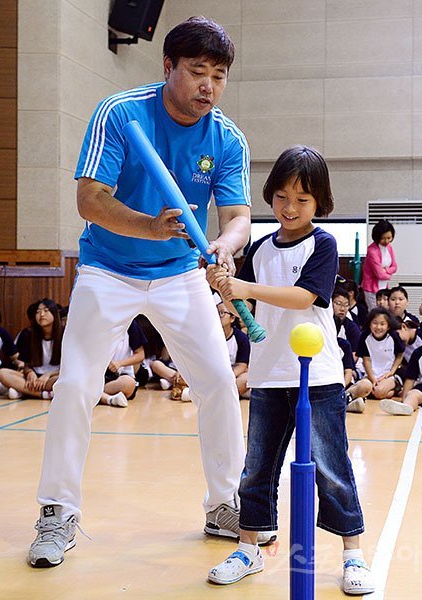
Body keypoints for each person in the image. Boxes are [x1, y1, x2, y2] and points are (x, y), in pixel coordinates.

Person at [27, 16, 262, 569]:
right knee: (77, 385)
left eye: (219, 75)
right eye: (197, 71)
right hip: (108, 270)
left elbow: (238, 216)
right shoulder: (121, 113)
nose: (209, 85)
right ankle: (57, 512)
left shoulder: (226, 137)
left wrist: (226, 247)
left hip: (181, 273)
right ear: (168, 68)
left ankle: (225, 503)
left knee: (218, 384)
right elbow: (90, 199)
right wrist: (148, 226)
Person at [206, 146, 374, 594]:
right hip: (267, 375)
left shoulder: (323, 244)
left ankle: (353, 555)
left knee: (331, 467)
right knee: (257, 467)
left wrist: (243, 286)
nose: (290, 207)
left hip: (316, 377)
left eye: (302, 199)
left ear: (320, 202)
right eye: (281, 196)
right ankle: (248, 547)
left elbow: (304, 297)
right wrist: (226, 290)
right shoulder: (259, 248)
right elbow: (249, 312)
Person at [0, 299, 62, 400]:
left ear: (54, 313)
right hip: (34, 377)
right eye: (38, 311)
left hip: (53, 377)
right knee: (2, 373)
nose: (41, 314)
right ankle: (44, 394)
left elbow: (69, 367)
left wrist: (47, 375)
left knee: (67, 380)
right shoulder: (29, 335)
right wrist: (30, 373)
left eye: (46, 310)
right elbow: (26, 364)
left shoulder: (64, 335)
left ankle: (24, 391)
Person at [380, 317, 422, 415]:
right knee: (412, 395)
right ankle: (405, 407)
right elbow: (410, 379)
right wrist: (404, 398)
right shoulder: (418, 353)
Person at [356, 308, 405, 400]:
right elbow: (366, 359)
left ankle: (396, 390)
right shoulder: (364, 336)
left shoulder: (393, 336)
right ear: (369, 324)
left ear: (388, 326)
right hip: (370, 374)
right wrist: (372, 379)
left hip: (388, 375)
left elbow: (400, 354)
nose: (378, 327)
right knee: (363, 388)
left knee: (378, 391)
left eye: (382, 324)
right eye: (375, 323)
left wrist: (391, 372)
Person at [98, 319, 147, 407]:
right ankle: (109, 399)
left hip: (117, 377)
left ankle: (97, 394)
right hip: (96, 375)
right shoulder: (98, 320)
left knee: (129, 383)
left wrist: (119, 363)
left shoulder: (130, 323)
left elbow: (140, 354)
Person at [216, 299, 251, 399]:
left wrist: (227, 377)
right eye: (216, 313)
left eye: (222, 313)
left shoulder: (241, 338)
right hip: (214, 375)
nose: (218, 317)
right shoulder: (209, 337)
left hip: (233, 375)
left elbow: (241, 365)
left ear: (232, 318)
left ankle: (219, 396)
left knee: (245, 378)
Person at [361, 219, 397, 311]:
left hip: (384, 287)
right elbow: (379, 274)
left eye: (389, 238)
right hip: (371, 289)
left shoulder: (389, 247)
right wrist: (388, 274)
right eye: (383, 238)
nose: (386, 241)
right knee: (375, 312)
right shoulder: (372, 250)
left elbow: (395, 267)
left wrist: (386, 270)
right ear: (377, 237)